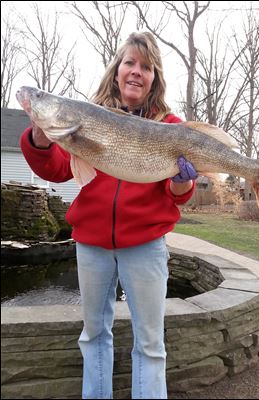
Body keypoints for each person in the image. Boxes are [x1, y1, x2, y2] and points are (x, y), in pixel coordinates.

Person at [20, 32, 198, 399]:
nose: (136, 72)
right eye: (129, 63)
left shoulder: (172, 125)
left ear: (154, 78)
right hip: (92, 245)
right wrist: (40, 138)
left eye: (145, 66)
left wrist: (182, 181)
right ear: (116, 70)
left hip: (145, 246)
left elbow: (177, 195)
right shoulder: (86, 116)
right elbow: (58, 170)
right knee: (94, 334)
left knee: (150, 343)